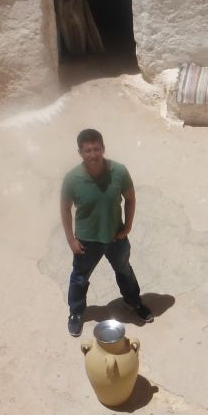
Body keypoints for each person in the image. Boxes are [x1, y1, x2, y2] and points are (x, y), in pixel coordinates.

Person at [60, 128, 154, 337]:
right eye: (87, 151)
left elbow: (130, 198)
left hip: (115, 236)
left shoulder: (119, 171)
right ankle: (76, 312)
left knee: (124, 271)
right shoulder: (71, 178)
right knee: (79, 278)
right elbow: (65, 209)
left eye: (96, 149)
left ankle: (134, 302)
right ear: (80, 153)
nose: (92, 155)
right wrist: (71, 240)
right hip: (86, 240)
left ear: (103, 148)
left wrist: (127, 227)